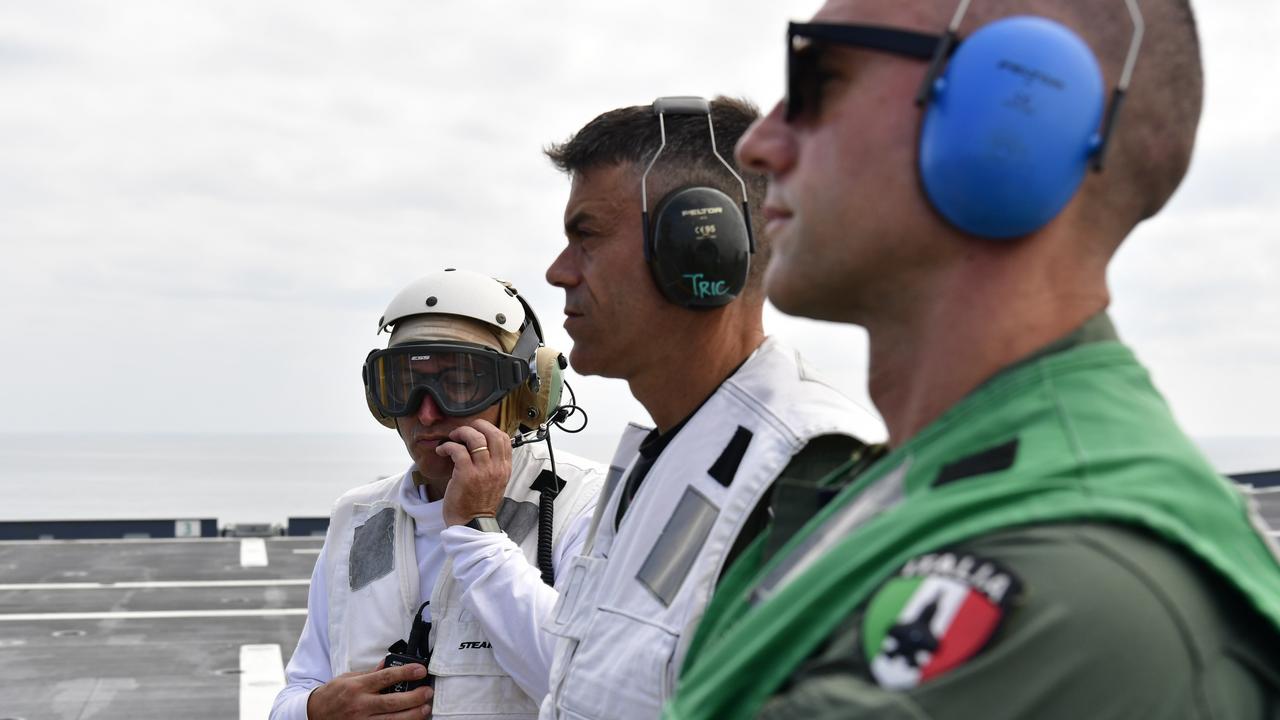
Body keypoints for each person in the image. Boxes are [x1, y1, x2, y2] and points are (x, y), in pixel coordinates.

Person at [667, 1, 1280, 718]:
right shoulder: (917, 481)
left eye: (821, 78)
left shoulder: (1076, 596)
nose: (758, 145)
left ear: (1020, 109)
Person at [536, 96, 885, 720]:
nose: (558, 272)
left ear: (699, 249)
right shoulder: (656, 462)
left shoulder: (813, 481)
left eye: (585, 235)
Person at [272, 269, 604, 720]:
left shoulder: (584, 504)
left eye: (461, 381)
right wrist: (315, 711)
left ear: (528, 393)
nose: (426, 413)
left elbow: (590, 687)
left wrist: (478, 532)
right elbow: (298, 690)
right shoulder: (359, 518)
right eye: (406, 383)